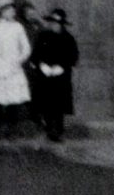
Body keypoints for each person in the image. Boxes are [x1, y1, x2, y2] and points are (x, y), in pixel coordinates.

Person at [0, 0, 32, 139]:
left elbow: (26, 48)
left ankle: (12, 130)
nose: (12, 12)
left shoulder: (18, 27)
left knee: (13, 100)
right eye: (9, 9)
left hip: (13, 69)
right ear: (2, 11)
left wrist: (18, 61)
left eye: (13, 9)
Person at [30, 9, 80, 142]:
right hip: (45, 76)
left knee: (59, 105)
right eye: (52, 22)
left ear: (62, 24)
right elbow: (35, 54)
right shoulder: (43, 36)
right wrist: (41, 65)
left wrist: (62, 67)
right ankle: (48, 127)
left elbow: (73, 57)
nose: (54, 25)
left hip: (61, 77)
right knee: (46, 103)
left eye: (57, 23)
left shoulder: (68, 38)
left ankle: (58, 131)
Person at [19, 0, 45, 130]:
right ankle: (22, 115)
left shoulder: (38, 25)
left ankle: (37, 116)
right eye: (27, 12)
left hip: (36, 61)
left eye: (32, 12)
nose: (30, 14)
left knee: (37, 89)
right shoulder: (20, 25)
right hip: (24, 62)